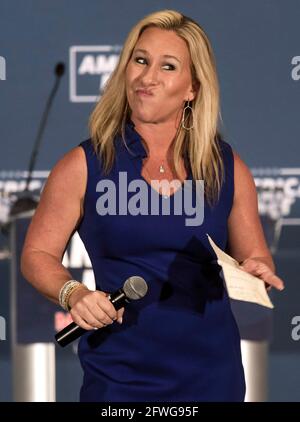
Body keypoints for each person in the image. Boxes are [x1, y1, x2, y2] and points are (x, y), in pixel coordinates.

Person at [21, 9, 284, 402]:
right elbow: (37, 253)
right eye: (140, 60)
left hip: (212, 378)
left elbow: (255, 260)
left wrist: (257, 270)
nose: (147, 77)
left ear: (192, 87)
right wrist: (73, 293)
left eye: (168, 66)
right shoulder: (85, 164)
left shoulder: (226, 167)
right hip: (119, 381)